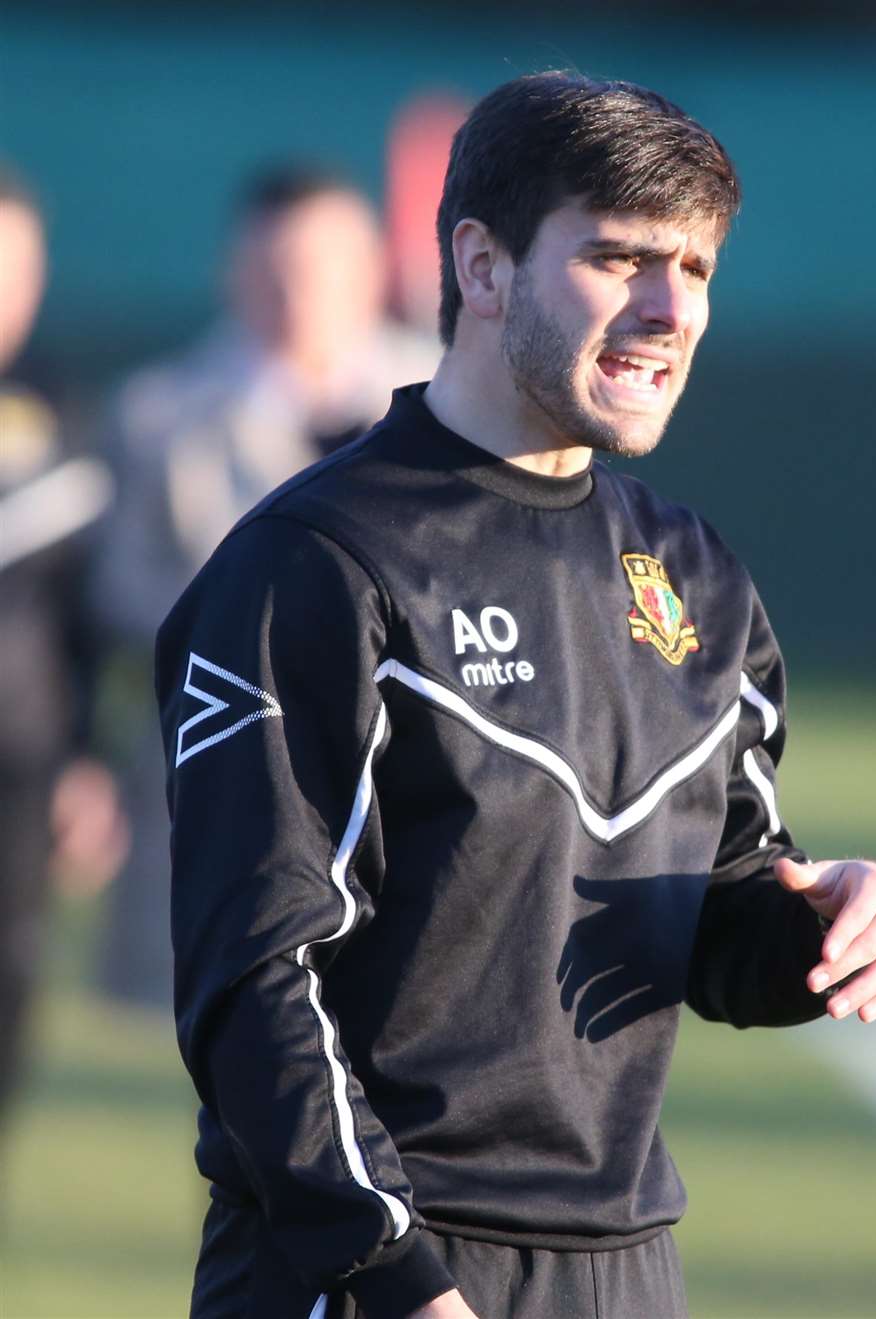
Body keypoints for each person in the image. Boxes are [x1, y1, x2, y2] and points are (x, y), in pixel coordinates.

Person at [156, 74, 876, 1319]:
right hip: (363, 1272)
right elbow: (253, 980)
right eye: (620, 258)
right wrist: (396, 1276)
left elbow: (723, 912)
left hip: (624, 1269)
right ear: (484, 262)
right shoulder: (314, 566)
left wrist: (833, 922)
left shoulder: (697, 578)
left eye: (699, 269)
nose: (671, 308)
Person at [92, 166, 441, 1009]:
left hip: (421, 780)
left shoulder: (450, 401)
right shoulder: (160, 414)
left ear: (368, 268)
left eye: (318, 267)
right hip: (228, 772)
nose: (297, 293)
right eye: (272, 269)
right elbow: (117, 588)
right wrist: (244, 619)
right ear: (234, 274)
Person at [0, 169, 126, 1122]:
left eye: (18, 267)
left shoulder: (65, 419)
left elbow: (88, 618)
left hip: (22, 772)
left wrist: (89, 759)